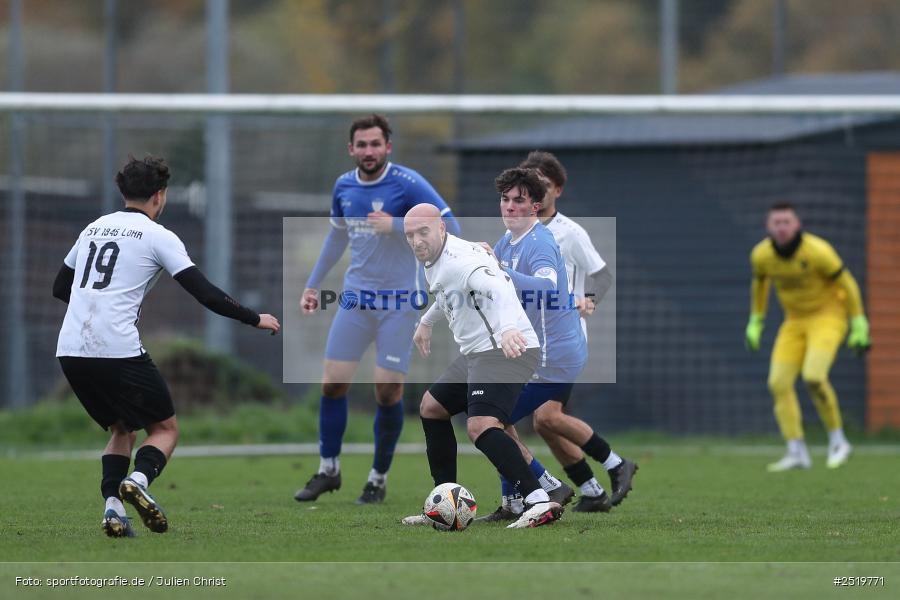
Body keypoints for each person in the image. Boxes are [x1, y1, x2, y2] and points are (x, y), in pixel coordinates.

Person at [53, 155, 280, 537]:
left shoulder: (94, 227)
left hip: (71, 348)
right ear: (160, 196)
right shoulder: (158, 236)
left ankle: (113, 509)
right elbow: (204, 293)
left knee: (122, 428)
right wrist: (254, 318)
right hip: (115, 347)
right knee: (165, 429)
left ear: (124, 191)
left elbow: (61, 287)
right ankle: (138, 481)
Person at [296, 114, 460, 504]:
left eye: (376, 144)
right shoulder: (344, 186)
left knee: (387, 392)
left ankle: (377, 478)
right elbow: (337, 237)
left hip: (399, 304)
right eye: (362, 144)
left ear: (388, 147)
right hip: (354, 300)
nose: (369, 151)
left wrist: (400, 224)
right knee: (332, 382)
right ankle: (328, 469)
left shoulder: (407, 183)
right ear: (351, 149)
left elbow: (449, 223)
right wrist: (313, 283)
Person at [401, 204, 563, 529]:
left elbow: (499, 287)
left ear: (441, 228)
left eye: (423, 232)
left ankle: (538, 501)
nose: (417, 240)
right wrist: (426, 322)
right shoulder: (437, 259)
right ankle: (443, 501)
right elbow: (447, 294)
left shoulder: (464, 261)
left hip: (505, 348)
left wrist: (506, 328)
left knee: (481, 426)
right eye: (410, 235)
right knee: (432, 407)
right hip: (478, 352)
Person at [513, 151, 637, 513]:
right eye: (530, 186)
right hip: (533, 339)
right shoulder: (520, 230)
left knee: (540, 416)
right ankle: (593, 489)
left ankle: (615, 464)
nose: (537, 192)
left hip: (564, 338)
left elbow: (602, 274)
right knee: (544, 421)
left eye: (544, 186)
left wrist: (590, 299)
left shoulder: (570, 233)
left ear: (558, 190)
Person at [745, 202, 870, 471]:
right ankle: (797, 451)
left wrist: (858, 321)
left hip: (828, 317)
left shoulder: (817, 251)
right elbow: (760, 284)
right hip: (794, 322)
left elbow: (847, 282)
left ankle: (838, 442)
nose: (781, 227)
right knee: (778, 383)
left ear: (797, 224)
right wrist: (756, 320)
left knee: (814, 376)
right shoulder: (761, 255)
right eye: (776, 222)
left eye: (786, 222)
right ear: (768, 226)